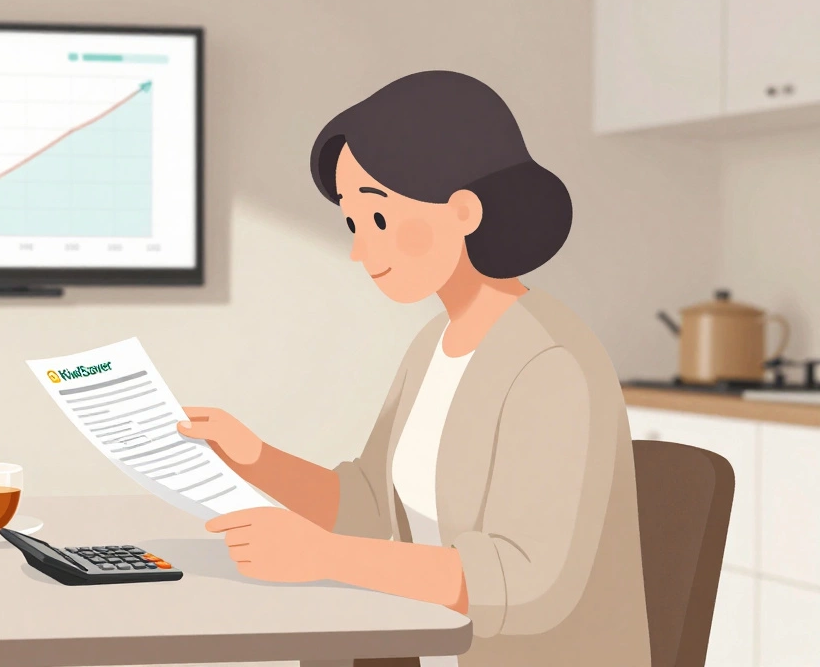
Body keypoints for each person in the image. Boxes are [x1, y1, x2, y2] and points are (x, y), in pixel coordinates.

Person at [177, 71, 651, 667]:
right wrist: (254, 457)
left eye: (377, 219)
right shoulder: (436, 342)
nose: (359, 248)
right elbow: (371, 508)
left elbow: (530, 583)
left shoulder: (550, 362)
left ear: (464, 211)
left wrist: (324, 557)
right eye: (352, 223)